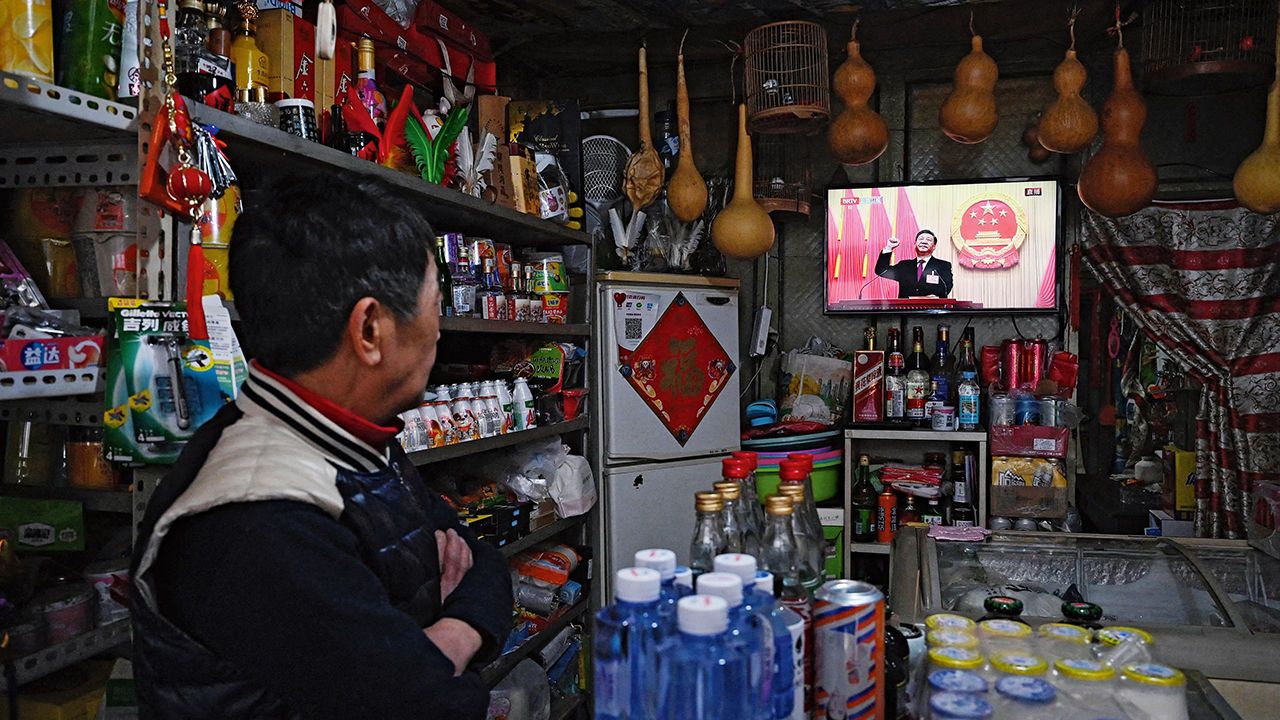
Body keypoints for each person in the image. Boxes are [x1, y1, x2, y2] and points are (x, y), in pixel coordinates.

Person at [129, 172, 513, 719]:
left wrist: (442, 637)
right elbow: (429, 706)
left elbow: (484, 564)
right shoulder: (257, 519)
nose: (439, 328)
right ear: (370, 331)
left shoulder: (348, 435)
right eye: (435, 301)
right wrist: (451, 642)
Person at [874, 229, 954, 298]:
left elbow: (947, 288)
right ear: (915, 244)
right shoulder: (904, 266)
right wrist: (889, 247)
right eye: (921, 239)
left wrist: (926, 299)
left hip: (931, 312)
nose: (924, 241)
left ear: (934, 246)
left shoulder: (943, 265)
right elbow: (881, 271)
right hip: (906, 312)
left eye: (929, 240)